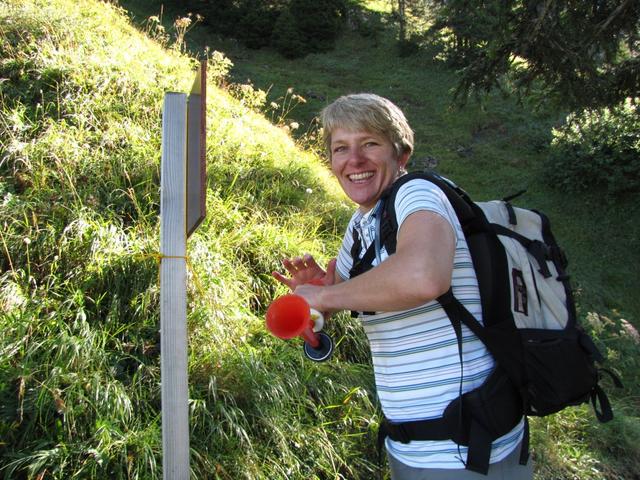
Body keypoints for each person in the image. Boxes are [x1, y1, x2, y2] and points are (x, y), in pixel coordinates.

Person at [272, 93, 532, 479]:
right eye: (341, 148)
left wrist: (325, 294)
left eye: (370, 144)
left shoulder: (418, 192)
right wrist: (319, 298)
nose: (354, 160)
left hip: (466, 452)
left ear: (401, 154)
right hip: (413, 446)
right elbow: (349, 294)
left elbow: (423, 276)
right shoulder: (361, 226)